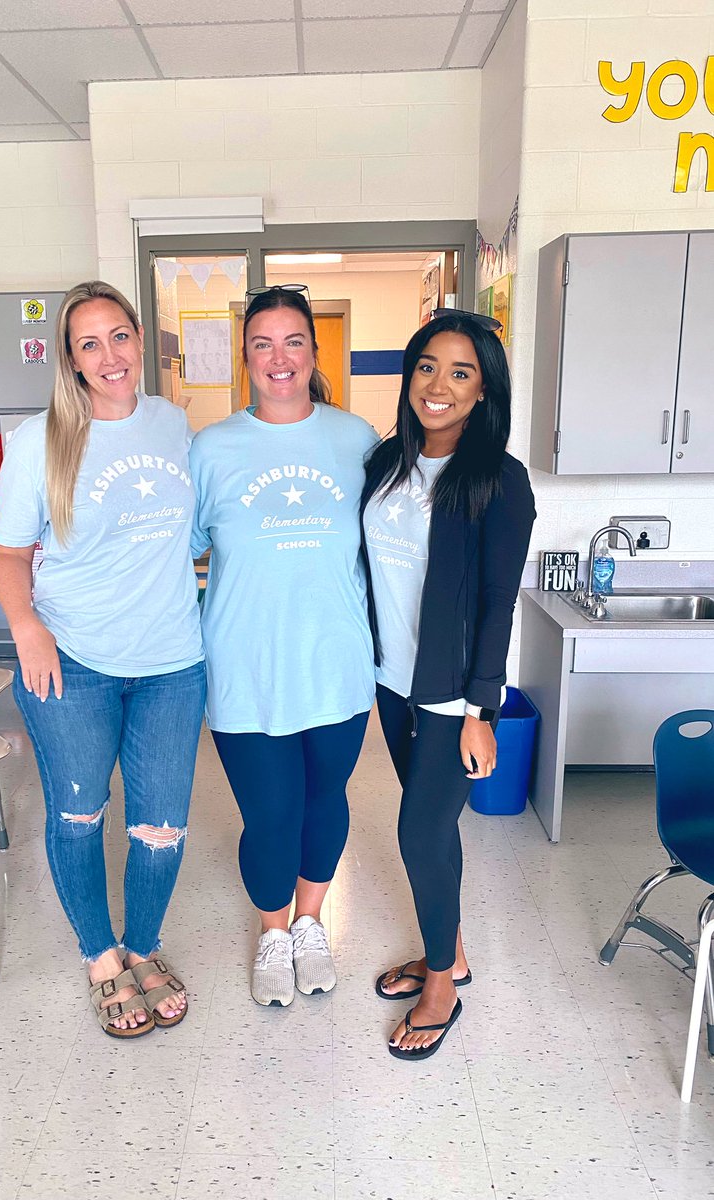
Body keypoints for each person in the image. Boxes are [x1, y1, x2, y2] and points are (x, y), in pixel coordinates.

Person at [0, 280, 206, 1040]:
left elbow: (192, 533)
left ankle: (143, 946)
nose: (110, 356)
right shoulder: (37, 441)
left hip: (173, 661)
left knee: (162, 826)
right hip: (71, 660)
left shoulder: (175, 424)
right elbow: (8, 554)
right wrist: (26, 627)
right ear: (72, 360)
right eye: (90, 344)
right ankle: (101, 957)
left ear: (140, 339)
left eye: (119, 336)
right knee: (79, 815)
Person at [190, 285, 378, 1008]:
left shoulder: (355, 439)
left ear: (313, 352)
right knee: (271, 815)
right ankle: (273, 935)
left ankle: (309, 923)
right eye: (263, 343)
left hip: (335, 663)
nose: (279, 357)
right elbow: (183, 553)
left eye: (292, 341)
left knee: (325, 801)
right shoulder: (212, 449)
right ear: (245, 357)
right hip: (245, 667)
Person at [361, 309, 535, 1060]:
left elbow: (499, 602)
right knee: (433, 827)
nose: (439, 385)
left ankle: (441, 984)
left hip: (449, 696)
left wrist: (481, 710)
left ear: (484, 390)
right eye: (428, 366)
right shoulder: (385, 462)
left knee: (420, 830)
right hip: (391, 681)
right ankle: (452, 949)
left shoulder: (500, 479)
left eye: (461, 372)